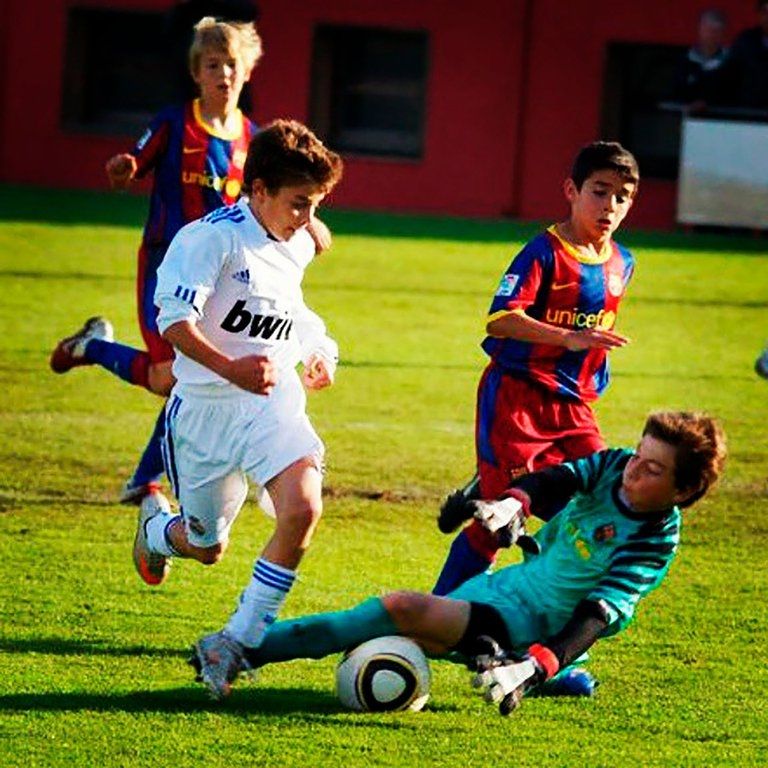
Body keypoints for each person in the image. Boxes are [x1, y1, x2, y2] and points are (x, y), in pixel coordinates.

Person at [224, 411, 726, 715]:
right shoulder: (615, 465)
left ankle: (241, 651)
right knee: (388, 632)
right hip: (503, 587)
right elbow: (557, 480)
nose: (633, 470)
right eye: (638, 456)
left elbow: (596, 614)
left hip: (525, 623)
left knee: (400, 609)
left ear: (682, 491)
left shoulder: (652, 543)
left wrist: (534, 667)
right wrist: (515, 502)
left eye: (652, 469)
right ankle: (495, 655)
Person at [49, 17, 332, 505]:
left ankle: (143, 479)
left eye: (232, 64)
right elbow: (135, 163)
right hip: (168, 261)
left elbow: (275, 197)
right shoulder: (174, 123)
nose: (224, 74)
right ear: (196, 72)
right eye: (212, 64)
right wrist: (124, 169)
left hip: (228, 277)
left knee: (187, 374)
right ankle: (93, 349)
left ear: (248, 72)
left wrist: (310, 222)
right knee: (172, 375)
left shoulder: (254, 139)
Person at [134, 119, 343, 701]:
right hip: (204, 411)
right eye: (299, 203)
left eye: (316, 205)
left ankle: (235, 641)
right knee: (207, 548)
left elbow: (291, 306)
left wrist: (319, 352)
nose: (309, 219)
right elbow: (173, 322)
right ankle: (158, 530)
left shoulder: (296, 237)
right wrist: (230, 368)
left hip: (271, 403)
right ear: (258, 190)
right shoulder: (207, 240)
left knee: (303, 508)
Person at [432, 141, 639, 600]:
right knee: (501, 520)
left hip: (576, 407)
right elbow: (500, 319)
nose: (610, 205)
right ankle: (438, 613)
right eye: (599, 191)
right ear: (571, 190)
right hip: (518, 400)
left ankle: (553, 632)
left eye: (622, 196)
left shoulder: (623, 262)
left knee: (601, 497)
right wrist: (567, 337)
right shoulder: (543, 252)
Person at [672, 9, 729, 112]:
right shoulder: (684, 60)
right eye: (708, 30)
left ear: (723, 33)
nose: (712, 35)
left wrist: (707, 102)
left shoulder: (731, 61)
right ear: (700, 30)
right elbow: (675, 92)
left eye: (717, 31)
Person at [720, 0, 768, 111]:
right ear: (759, 15)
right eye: (765, 12)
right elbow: (729, 78)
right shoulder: (745, 41)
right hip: (748, 113)